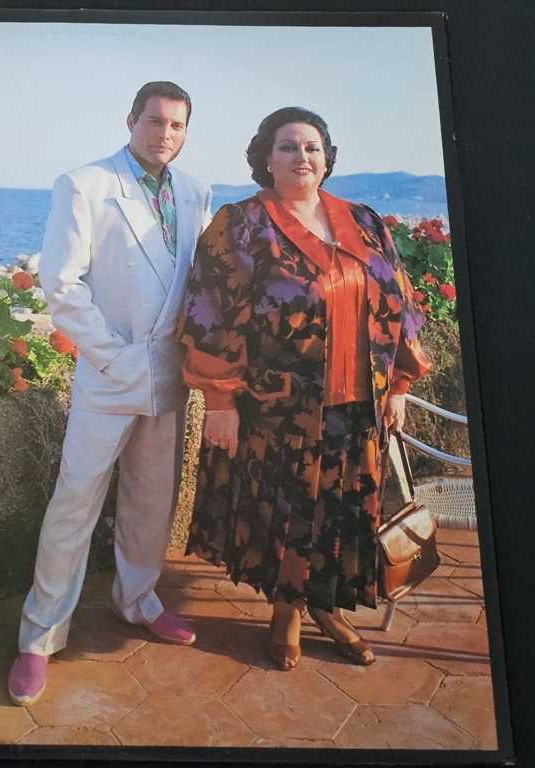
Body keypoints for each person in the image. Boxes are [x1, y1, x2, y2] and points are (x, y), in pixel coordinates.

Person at [176, 107, 431, 670]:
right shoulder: (242, 225)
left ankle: (327, 607)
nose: (302, 158)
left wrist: (399, 385)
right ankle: (286, 613)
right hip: (280, 408)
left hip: (359, 403)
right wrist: (219, 400)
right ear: (266, 158)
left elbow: (400, 299)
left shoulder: (363, 220)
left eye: (312, 147)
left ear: (327, 157)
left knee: (344, 512)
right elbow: (211, 311)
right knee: (291, 513)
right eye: (288, 147)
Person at [7, 82, 213, 705]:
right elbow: (61, 284)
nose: (165, 134)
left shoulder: (195, 190)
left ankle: (138, 600)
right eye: (155, 121)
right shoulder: (84, 184)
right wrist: (111, 354)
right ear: (131, 121)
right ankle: (39, 634)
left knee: (152, 500)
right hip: (108, 373)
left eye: (176, 125)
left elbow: (201, 280)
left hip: (170, 374)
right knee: (75, 502)